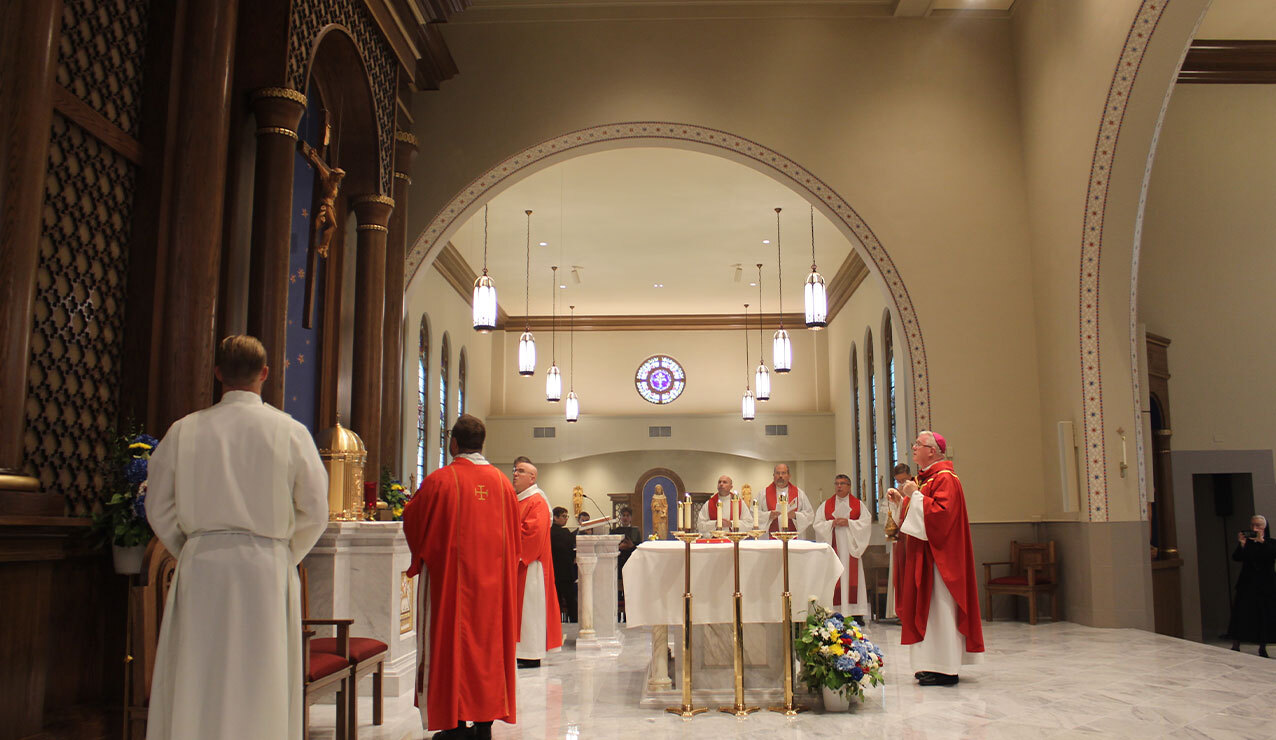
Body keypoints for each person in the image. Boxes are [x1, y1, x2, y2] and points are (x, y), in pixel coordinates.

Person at [144, 335, 328, 740]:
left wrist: (192, 547)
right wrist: (282, 552)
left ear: (217, 374)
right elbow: (315, 511)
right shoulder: (290, 431)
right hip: (265, 569)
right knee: (261, 675)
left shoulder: (183, 431)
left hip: (202, 567)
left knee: (198, 673)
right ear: (265, 374)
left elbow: (157, 506)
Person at [403, 414, 519, 739]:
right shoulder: (502, 484)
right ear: (482, 444)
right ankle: (484, 725)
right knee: (488, 651)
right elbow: (514, 540)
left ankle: (454, 725)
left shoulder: (441, 480)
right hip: (494, 591)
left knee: (451, 647)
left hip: (450, 588)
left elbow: (414, 519)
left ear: (453, 443)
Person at [886, 431, 984, 686]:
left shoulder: (946, 479)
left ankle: (946, 668)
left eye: (918, 444)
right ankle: (930, 664)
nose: (914, 448)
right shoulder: (924, 479)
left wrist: (914, 496)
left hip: (940, 561)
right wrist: (901, 502)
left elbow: (942, 516)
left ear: (933, 450)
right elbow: (914, 518)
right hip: (924, 556)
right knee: (926, 612)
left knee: (940, 609)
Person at [510, 458, 563, 668]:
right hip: (520, 563)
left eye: (521, 471)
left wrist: (514, 553)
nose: (515, 474)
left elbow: (533, 533)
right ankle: (521, 652)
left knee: (529, 610)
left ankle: (531, 654)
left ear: (533, 478)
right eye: (515, 470)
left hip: (530, 565)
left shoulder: (536, 501)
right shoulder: (520, 499)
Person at [812, 474, 872, 618]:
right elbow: (817, 524)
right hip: (834, 546)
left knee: (851, 576)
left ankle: (855, 613)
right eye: (837, 483)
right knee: (835, 576)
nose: (839, 486)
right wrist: (831, 523)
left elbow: (866, 522)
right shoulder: (826, 505)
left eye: (842, 483)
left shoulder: (858, 504)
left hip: (851, 548)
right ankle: (835, 611)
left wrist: (849, 523)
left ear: (849, 486)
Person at [1228, 514, 1276, 657]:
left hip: (1266, 585)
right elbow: (1236, 557)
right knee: (1242, 613)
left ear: (1264, 527)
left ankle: (1263, 646)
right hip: (1247, 584)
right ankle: (1236, 644)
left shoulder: (1271, 543)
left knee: (1265, 615)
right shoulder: (1247, 544)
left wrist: (1262, 542)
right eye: (1253, 525)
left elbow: (1272, 555)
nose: (1255, 528)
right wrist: (1242, 544)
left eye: (1258, 526)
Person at [761, 463, 814, 538]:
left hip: (794, 540)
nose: (780, 476)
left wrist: (796, 516)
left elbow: (809, 514)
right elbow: (754, 514)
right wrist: (768, 515)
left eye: (783, 473)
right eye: (777, 473)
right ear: (773, 475)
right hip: (771, 539)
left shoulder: (799, 493)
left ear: (789, 476)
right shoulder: (763, 494)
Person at [550, 506, 578, 621]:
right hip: (560, 571)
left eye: (567, 516)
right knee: (564, 600)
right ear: (555, 517)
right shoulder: (553, 532)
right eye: (563, 516)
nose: (566, 519)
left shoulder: (564, 531)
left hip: (561, 571)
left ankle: (562, 623)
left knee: (566, 600)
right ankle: (569, 622)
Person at [610, 506, 643, 570]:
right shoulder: (615, 531)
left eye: (628, 516)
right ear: (620, 517)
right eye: (623, 515)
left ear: (631, 518)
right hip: (618, 562)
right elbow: (610, 548)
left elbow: (639, 549)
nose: (625, 518)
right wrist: (619, 547)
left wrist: (632, 546)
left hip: (631, 561)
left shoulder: (635, 531)